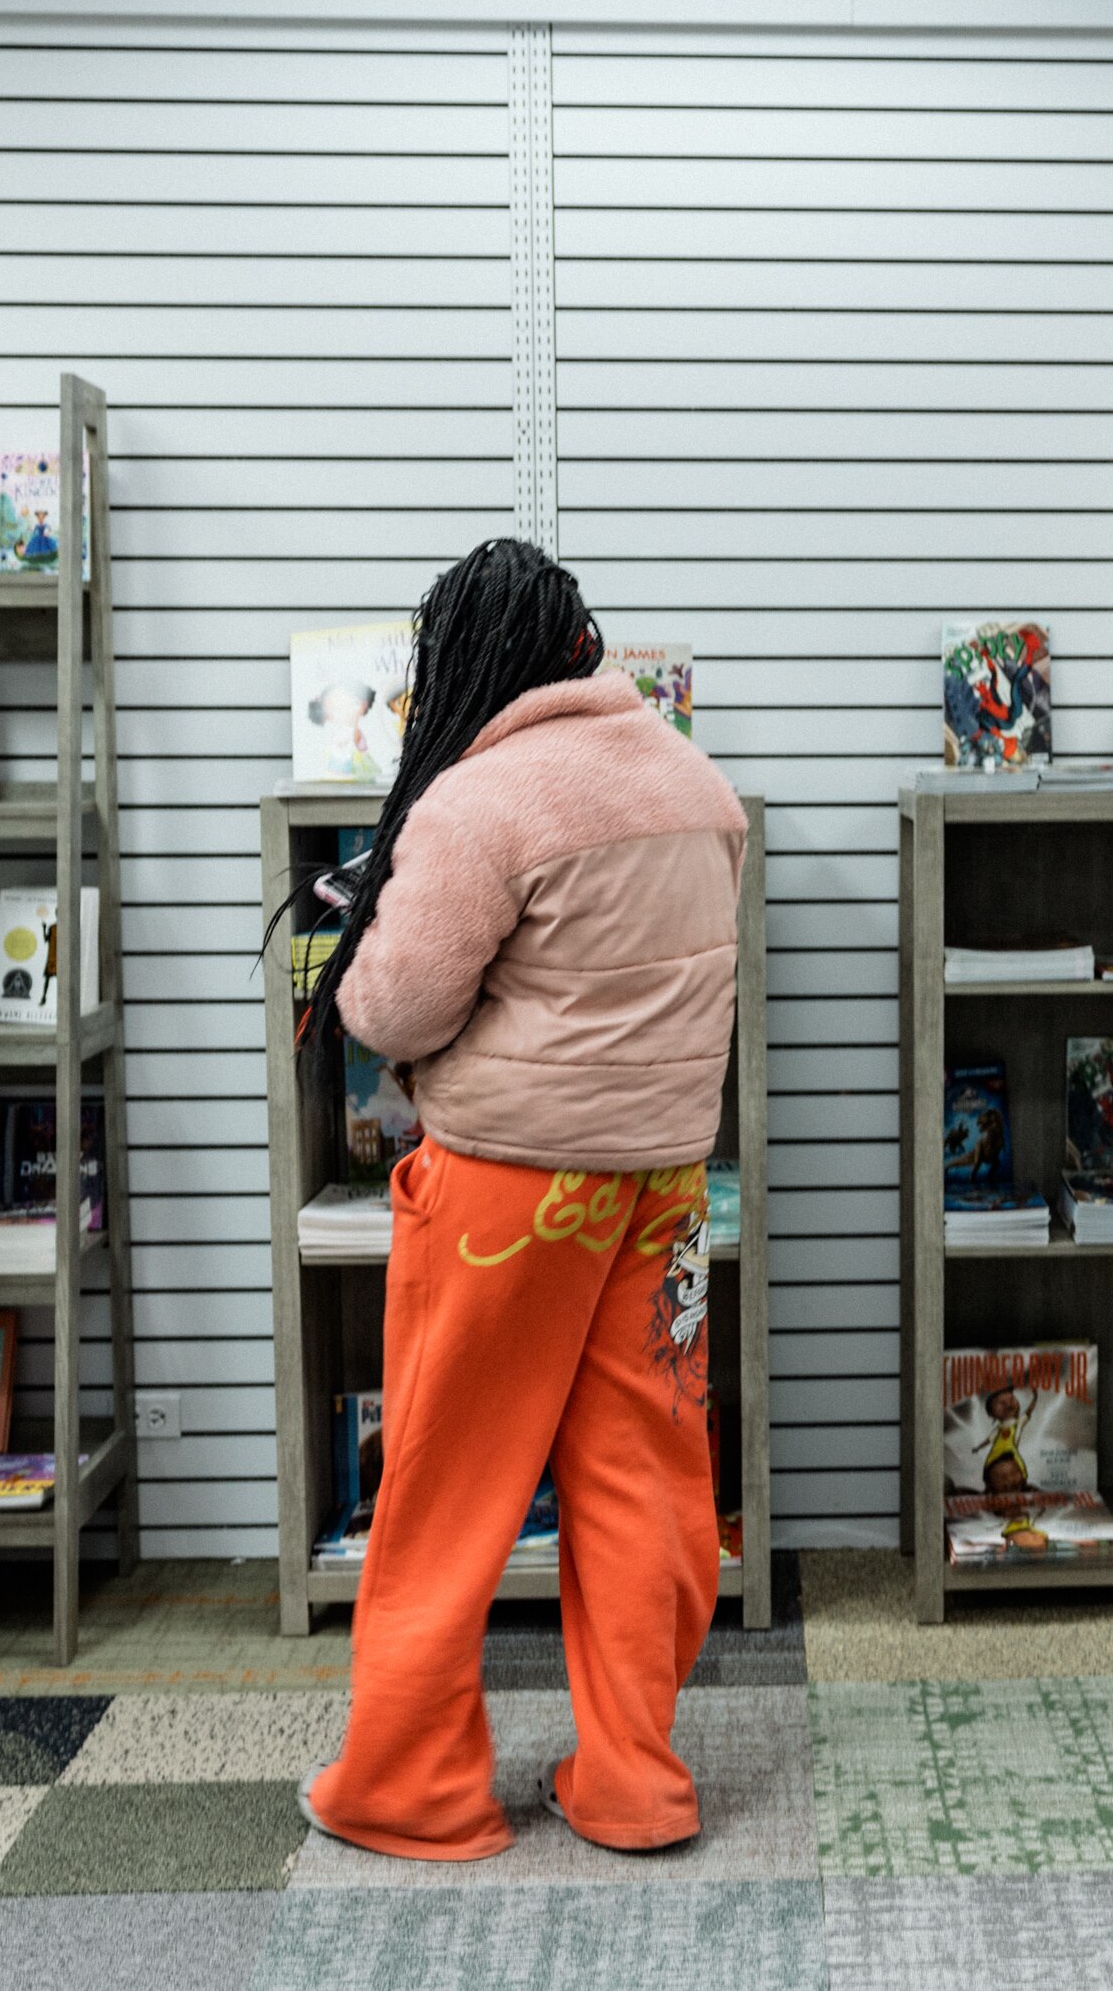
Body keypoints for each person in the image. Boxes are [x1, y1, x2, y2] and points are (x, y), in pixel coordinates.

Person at [297, 538, 746, 1861]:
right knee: (645, 1481)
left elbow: (392, 1007)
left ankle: (415, 1788)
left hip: (506, 1193)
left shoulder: (480, 804)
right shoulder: (695, 781)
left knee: (449, 1485)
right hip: (664, 1189)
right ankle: (636, 1783)